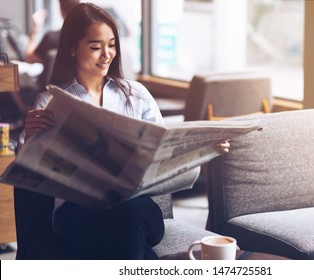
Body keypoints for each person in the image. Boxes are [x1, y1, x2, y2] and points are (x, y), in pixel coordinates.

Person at [21, 3, 229, 260]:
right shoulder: (50, 102)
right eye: (96, 47)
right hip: (78, 212)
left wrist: (203, 149)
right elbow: (30, 172)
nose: (106, 54)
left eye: (111, 45)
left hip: (139, 207)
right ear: (72, 48)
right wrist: (29, 138)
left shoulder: (135, 95)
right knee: (127, 231)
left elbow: (164, 147)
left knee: (127, 214)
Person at [24, 0, 80, 64]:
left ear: (61, 9)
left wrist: (35, 29)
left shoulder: (51, 38)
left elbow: (29, 58)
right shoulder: (86, 36)